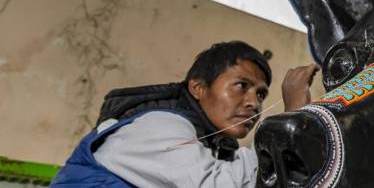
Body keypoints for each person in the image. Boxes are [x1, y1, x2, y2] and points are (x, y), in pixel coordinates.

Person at [52, 41, 319, 187]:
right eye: (242, 86)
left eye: (261, 94)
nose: (253, 103)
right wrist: (294, 118)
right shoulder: (159, 125)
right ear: (198, 88)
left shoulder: (213, 148)